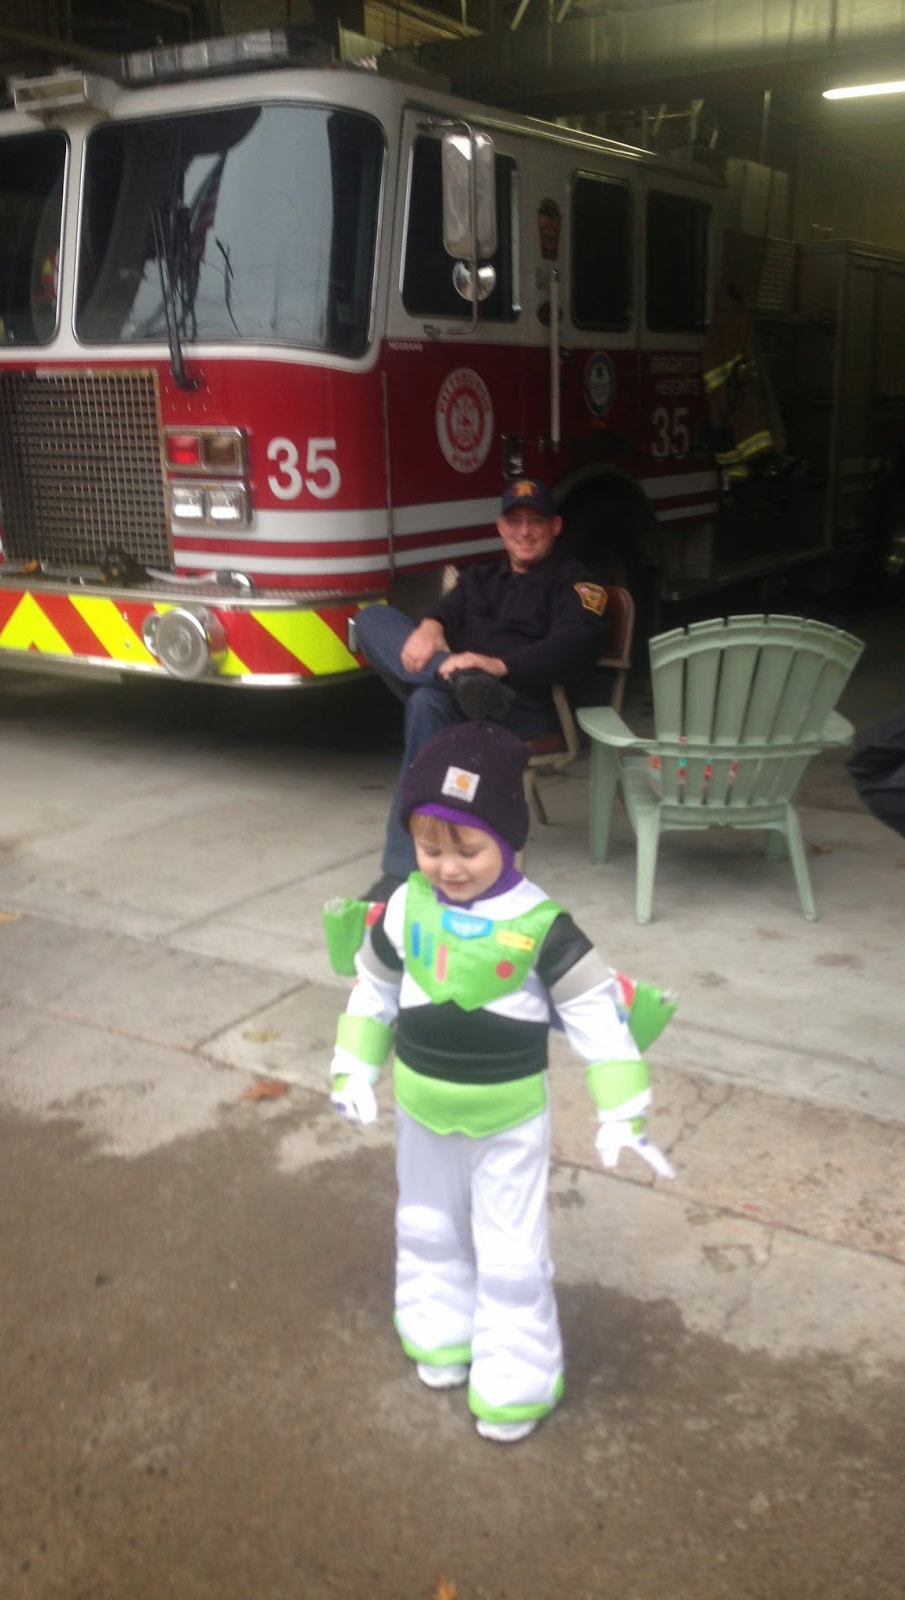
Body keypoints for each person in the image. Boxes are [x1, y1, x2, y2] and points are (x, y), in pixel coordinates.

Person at [322, 720, 675, 1442]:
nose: (449, 868)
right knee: (425, 1226)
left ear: (510, 839)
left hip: (509, 1120)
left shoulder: (545, 927)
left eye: (469, 849)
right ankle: (437, 1329)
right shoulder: (403, 909)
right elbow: (373, 989)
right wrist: (354, 1065)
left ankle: (517, 1374)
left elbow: (598, 1017)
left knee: (511, 1252)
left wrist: (622, 1110)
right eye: (431, 850)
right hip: (420, 1108)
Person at [354, 478, 611, 901]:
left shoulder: (577, 584)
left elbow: (575, 644)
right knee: (373, 619)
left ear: (556, 526)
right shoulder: (481, 578)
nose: (525, 531)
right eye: (515, 521)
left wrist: (499, 666)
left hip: (521, 708)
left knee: (425, 703)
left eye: (536, 521)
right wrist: (431, 625)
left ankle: (400, 875)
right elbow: (443, 609)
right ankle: (455, 678)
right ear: (501, 527)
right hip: (462, 695)